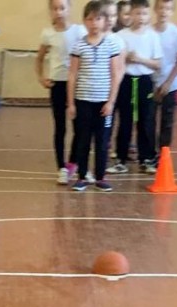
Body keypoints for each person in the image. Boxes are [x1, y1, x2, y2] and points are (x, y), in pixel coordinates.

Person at [67, 0, 123, 191]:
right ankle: (82, 177)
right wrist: (71, 103)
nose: (94, 23)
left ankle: (100, 177)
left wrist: (111, 102)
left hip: (103, 103)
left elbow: (115, 75)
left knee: (102, 141)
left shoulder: (111, 45)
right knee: (83, 139)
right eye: (90, 19)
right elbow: (72, 75)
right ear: (84, 21)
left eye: (98, 19)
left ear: (105, 21)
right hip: (83, 101)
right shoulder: (78, 46)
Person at [37, 0, 84, 184]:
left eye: (62, 8)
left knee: (79, 127)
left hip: (77, 84)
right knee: (60, 127)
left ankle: (73, 163)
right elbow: (39, 58)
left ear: (69, 9)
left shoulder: (79, 31)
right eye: (55, 9)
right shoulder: (47, 33)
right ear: (51, 11)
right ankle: (61, 168)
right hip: (57, 84)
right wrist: (41, 77)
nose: (59, 12)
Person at [114, 0, 161, 174]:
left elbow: (157, 64)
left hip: (144, 81)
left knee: (145, 120)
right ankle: (121, 159)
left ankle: (146, 158)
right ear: (131, 14)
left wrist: (140, 59)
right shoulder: (121, 36)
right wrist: (126, 58)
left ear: (148, 16)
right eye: (137, 13)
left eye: (144, 14)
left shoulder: (153, 36)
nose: (141, 17)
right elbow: (115, 60)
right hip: (126, 81)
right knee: (125, 121)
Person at [151, 0, 177, 157]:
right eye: (161, 8)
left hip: (171, 84)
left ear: (172, 11)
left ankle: (163, 153)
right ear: (155, 9)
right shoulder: (149, 32)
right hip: (151, 83)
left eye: (167, 8)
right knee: (148, 120)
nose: (164, 11)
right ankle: (149, 153)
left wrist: (168, 83)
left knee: (167, 120)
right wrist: (153, 84)